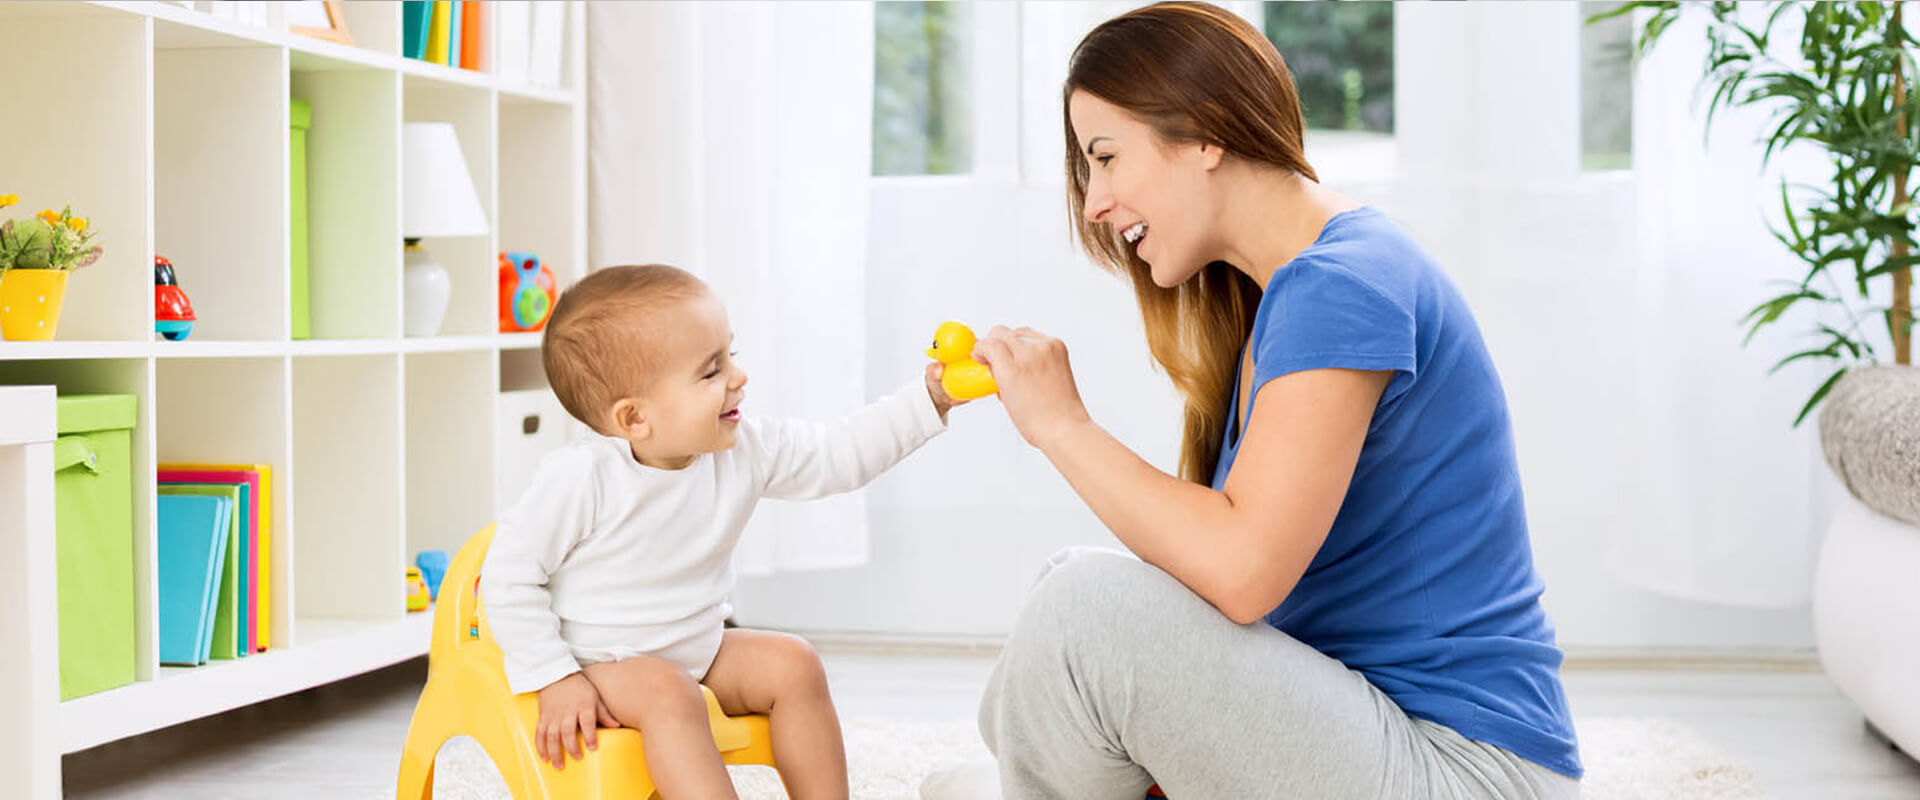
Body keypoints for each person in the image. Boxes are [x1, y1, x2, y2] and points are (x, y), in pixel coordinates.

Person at [931, 3, 1582, 798]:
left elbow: (1242, 574)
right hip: (1371, 731)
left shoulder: (1340, 285)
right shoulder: (1290, 291)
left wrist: (1061, 425)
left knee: (1081, 613)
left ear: (1206, 132)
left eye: (1105, 157)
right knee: (1051, 636)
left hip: (1463, 769)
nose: (1095, 202)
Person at [481, 263, 960, 799]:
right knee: (669, 694)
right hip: (602, 662)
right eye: (711, 371)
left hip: (698, 647)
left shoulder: (744, 448)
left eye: (730, 354)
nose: (738, 376)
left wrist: (930, 398)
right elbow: (505, 579)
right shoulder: (583, 477)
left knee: (793, 663)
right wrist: (555, 677)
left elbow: (838, 455)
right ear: (635, 419)